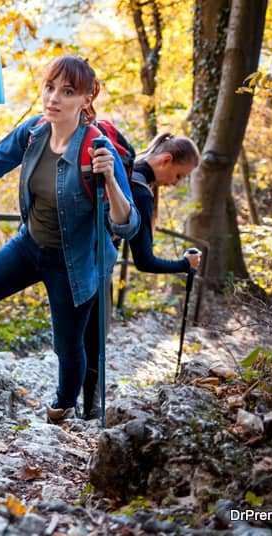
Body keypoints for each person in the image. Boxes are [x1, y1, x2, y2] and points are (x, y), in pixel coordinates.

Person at [0, 54, 140, 423]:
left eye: (67, 91)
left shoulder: (98, 149)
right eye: (50, 87)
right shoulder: (33, 132)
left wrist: (111, 181)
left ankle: (63, 405)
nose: (53, 98)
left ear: (86, 99)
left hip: (73, 263)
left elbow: (126, 225)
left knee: (68, 348)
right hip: (28, 245)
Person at [80, 133, 202, 420]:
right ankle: (88, 409)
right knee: (95, 336)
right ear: (166, 160)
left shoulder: (126, 168)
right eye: (179, 175)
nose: (175, 183)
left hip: (76, 250)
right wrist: (184, 264)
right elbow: (145, 261)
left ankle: (70, 401)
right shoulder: (141, 191)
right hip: (97, 261)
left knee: (78, 334)